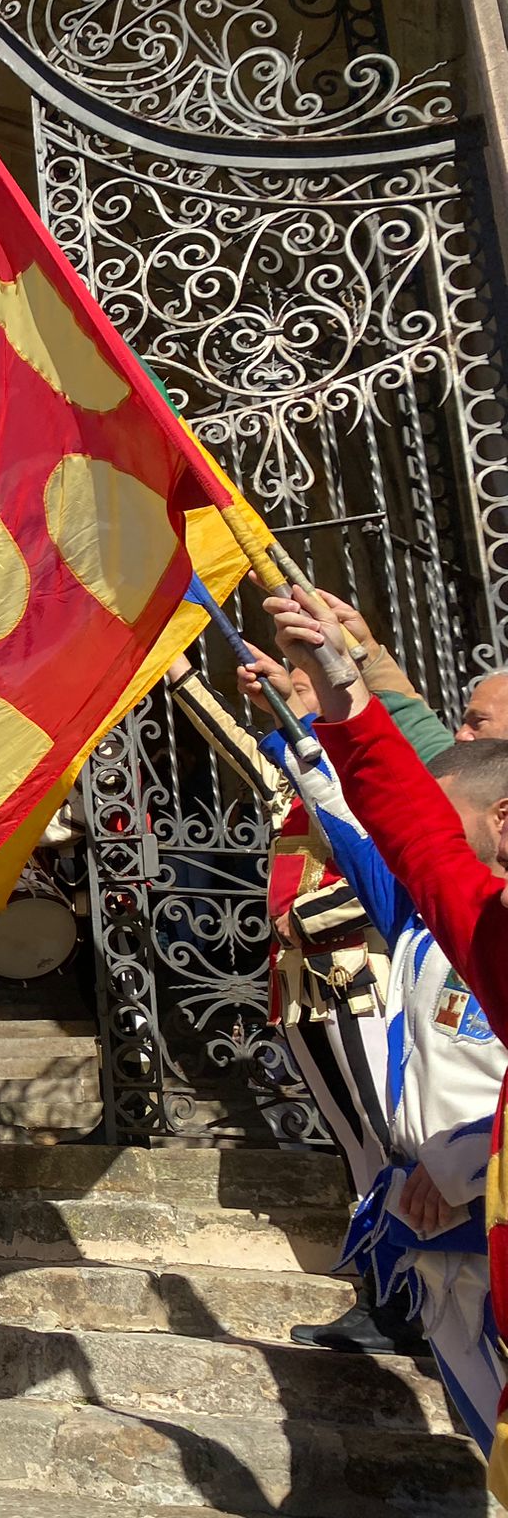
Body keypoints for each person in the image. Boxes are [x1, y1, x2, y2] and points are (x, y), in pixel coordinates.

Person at [266, 588, 508, 1481]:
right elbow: (392, 827)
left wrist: (469, 1188)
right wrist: (327, 693)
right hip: (447, 1224)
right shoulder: (464, 927)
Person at [164, 652, 418, 1355]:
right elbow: (233, 736)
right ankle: (382, 1291)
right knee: (356, 1149)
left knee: (391, 1139)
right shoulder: (291, 773)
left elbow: (391, 872)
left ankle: (411, 1300)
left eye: (301, 686)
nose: (285, 695)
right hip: (303, 987)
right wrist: (181, 672)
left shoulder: (363, 773)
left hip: (362, 976)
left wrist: (309, 918)